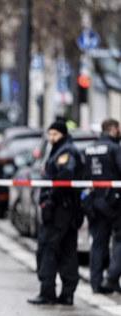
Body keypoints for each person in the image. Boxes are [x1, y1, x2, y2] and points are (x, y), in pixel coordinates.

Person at [27, 121, 84, 306]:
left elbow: (65, 176)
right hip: (68, 210)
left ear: (63, 134)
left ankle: (48, 292)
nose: (52, 138)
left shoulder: (65, 152)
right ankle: (67, 294)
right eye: (50, 134)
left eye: (55, 135)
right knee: (67, 250)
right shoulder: (63, 150)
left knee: (47, 249)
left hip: (60, 210)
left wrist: (50, 200)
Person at [84, 118, 121, 294]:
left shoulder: (90, 148)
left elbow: (83, 176)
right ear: (113, 129)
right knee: (120, 239)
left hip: (94, 202)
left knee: (98, 243)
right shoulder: (115, 148)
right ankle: (111, 278)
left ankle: (96, 283)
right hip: (113, 202)